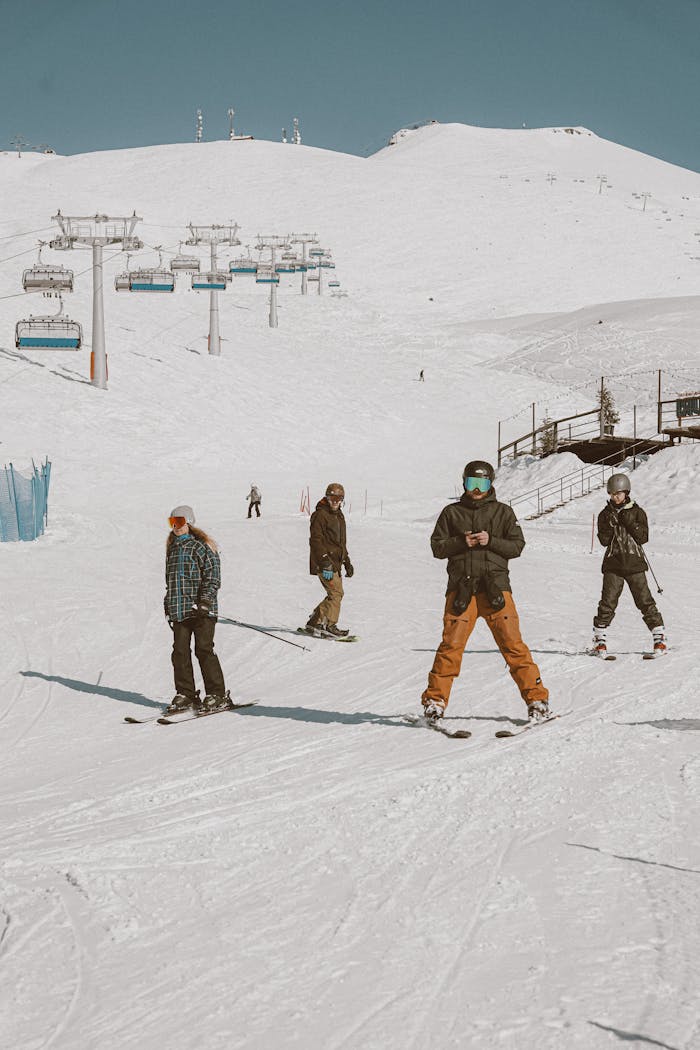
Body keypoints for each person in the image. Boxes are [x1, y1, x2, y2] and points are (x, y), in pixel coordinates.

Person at [422, 460, 549, 724]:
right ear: (464, 483)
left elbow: (517, 546)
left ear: (491, 484)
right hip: (461, 591)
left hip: (496, 590)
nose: (476, 489)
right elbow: (437, 547)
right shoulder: (451, 513)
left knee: (513, 646)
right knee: (450, 647)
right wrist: (461, 542)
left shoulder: (503, 512)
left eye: (482, 483)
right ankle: (435, 701)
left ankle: (537, 700)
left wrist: (492, 541)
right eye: (471, 483)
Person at [163, 505, 230, 713]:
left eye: (180, 522)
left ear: (189, 522)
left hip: (201, 611)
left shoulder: (202, 547)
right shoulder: (173, 549)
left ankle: (216, 694)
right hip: (179, 610)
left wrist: (205, 602)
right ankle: (186, 694)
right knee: (180, 652)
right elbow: (170, 582)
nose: (176, 526)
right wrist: (168, 604)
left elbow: (212, 577)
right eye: (172, 522)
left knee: (204, 649)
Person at [592, 473, 665, 657]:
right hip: (613, 563)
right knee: (608, 602)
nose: (616, 497)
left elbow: (643, 537)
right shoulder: (605, 514)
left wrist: (630, 522)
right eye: (612, 493)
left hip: (634, 563)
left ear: (626, 492)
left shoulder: (637, 512)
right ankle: (599, 641)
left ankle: (659, 639)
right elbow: (603, 540)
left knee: (644, 601)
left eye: (619, 493)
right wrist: (610, 525)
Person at [304, 482, 354, 636]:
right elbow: (315, 541)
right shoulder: (320, 515)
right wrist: (325, 562)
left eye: (338, 498)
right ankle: (329, 625)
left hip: (336, 562)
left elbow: (341, 543)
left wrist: (347, 562)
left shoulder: (339, 515)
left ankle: (315, 622)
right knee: (336, 593)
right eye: (332, 498)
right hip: (325, 562)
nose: (335, 501)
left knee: (335, 593)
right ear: (326, 497)